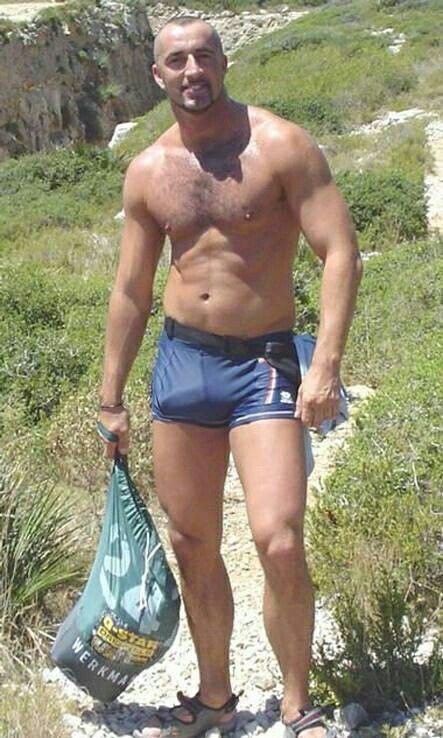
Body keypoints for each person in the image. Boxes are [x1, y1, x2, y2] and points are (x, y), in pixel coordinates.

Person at [98, 16, 362, 738]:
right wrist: (110, 399)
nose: (191, 70)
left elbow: (340, 251)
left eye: (203, 56)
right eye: (176, 60)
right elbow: (130, 291)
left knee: (279, 538)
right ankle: (215, 697)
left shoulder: (279, 145)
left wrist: (325, 366)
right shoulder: (149, 170)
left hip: (264, 362)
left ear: (224, 61)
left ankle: (296, 702)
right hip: (184, 362)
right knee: (192, 543)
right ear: (157, 74)